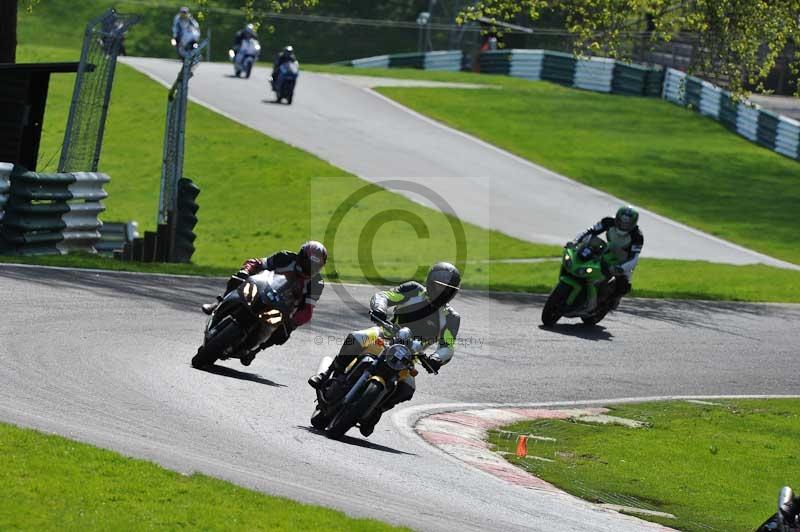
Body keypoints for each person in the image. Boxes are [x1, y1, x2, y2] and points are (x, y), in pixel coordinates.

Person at [308, 262, 461, 436]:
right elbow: (385, 296)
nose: (442, 292)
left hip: (409, 355)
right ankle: (328, 373)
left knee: (407, 388)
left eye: (447, 290)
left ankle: (377, 410)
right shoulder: (413, 290)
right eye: (439, 287)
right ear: (430, 282)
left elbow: (448, 345)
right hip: (384, 335)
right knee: (356, 337)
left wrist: (437, 358)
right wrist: (379, 308)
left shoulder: (451, 318)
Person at [201, 241, 327, 365]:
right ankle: (220, 302)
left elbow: (307, 310)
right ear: (301, 256)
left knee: (283, 334)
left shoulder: (317, 283)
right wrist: (246, 270)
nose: (310, 268)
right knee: (238, 278)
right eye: (308, 263)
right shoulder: (285, 257)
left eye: (315, 266)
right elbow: (259, 263)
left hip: (283, 309)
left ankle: (255, 350)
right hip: (262, 290)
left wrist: (293, 321)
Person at [572, 205, 643, 310]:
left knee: (624, 282)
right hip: (608, 249)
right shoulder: (608, 221)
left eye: (627, 223)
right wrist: (576, 241)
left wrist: (621, 268)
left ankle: (614, 299)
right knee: (587, 256)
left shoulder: (637, 236)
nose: (623, 225)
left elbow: (634, 257)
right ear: (617, 218)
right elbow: (590, 231)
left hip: (624, 258)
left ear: (634, 223)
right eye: (621, 221)